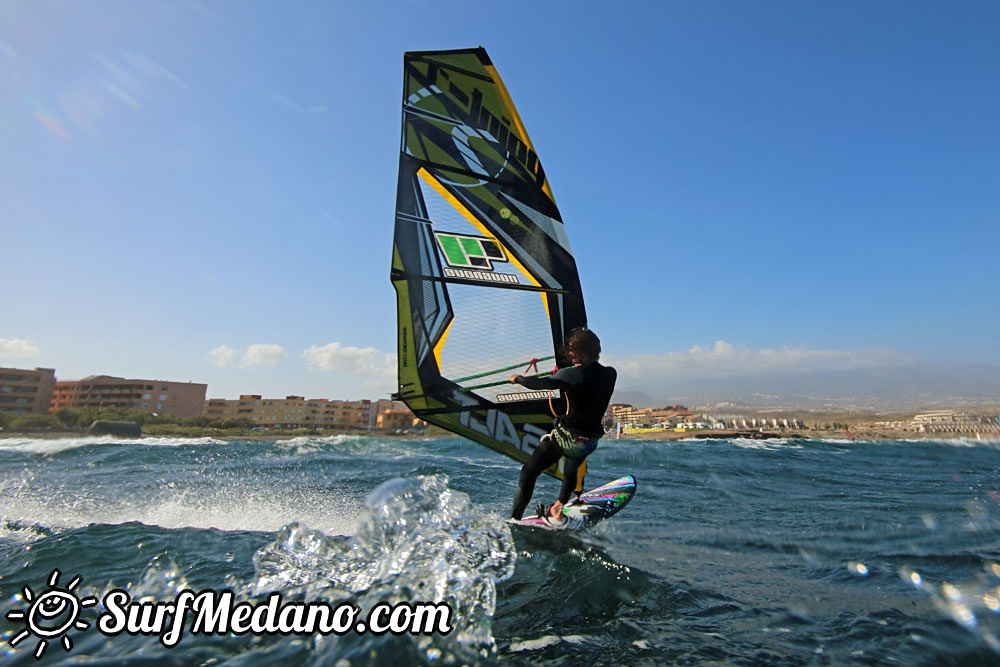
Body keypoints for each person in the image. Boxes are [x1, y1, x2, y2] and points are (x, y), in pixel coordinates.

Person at [507, 328, 617, 524]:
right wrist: (565, 374)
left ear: (583, 354)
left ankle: (514, 519)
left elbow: (538, 384)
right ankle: (558, 507)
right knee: (571, 469)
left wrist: (518, 379)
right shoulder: (610, 374)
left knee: (529, 472)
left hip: (566, 438)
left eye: (573, 353)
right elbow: (586, 378)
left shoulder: (570, 375)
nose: (570, 357)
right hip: (589, 441)